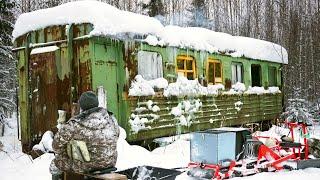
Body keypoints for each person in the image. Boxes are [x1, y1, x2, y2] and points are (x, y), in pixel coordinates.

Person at [50, 91, 120, 177]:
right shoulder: (111, 119)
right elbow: (117, 135)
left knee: (56, 164)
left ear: (81, 106)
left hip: (87, 167)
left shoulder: (75, 124)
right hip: (110, 163)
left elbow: (56, 146)